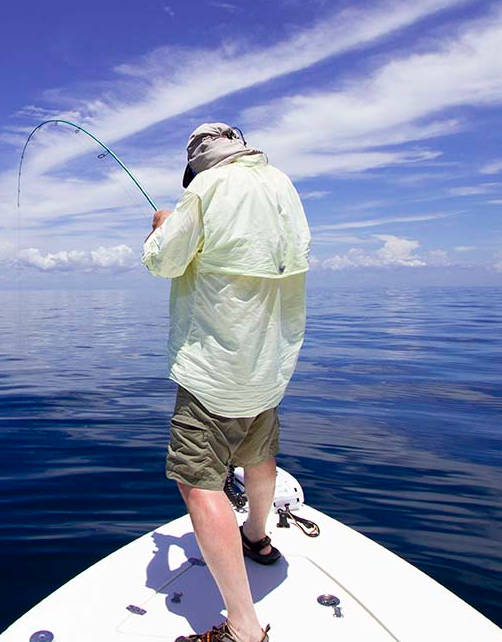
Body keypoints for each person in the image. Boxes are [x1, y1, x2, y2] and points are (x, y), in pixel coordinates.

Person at [142, 123, 311, 642]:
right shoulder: (283, 184)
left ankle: (243, 628)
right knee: (259, 454)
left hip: (213, 368)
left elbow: (162, 262)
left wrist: (159, 227)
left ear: (198, 162)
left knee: (198, 483)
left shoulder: (203, 189)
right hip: (270, 364)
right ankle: (256, 538)